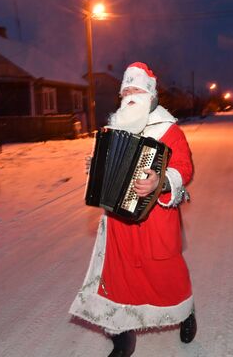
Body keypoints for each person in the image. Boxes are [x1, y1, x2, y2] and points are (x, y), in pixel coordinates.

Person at [70, 62, 196, 357]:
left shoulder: (169, 131)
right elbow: (106, 169)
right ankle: (122, 336)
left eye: (136, 90)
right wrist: (96, 167)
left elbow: (184, 168)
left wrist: (161, 181)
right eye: (126, 90)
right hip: (117, 221)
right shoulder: (112, 128)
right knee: (116, 278)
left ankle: (185, 312)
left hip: (155, 220)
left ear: (150, 95)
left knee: (167, 275)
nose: (130, 95)